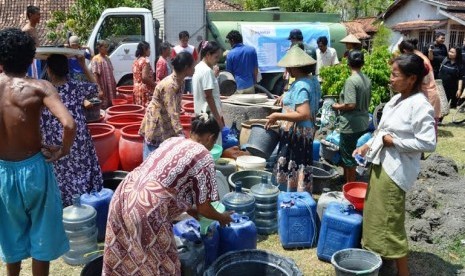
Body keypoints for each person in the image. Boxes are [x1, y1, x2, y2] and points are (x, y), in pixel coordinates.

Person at [103, 113, 233, 275]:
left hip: (123, 194)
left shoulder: (173, 140)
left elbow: (169, 184)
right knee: (163, 264)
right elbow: (204, 208)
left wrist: (191, 211)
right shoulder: (204, 156)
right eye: (213, 142)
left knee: (124, 253)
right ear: (210, 138)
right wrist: (223, 217)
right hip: (147, 206)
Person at [0, 28, 76, 276]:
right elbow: (69, 124)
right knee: (42, 234)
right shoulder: (40, 87)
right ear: (32, 59)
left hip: (2, 171)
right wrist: (62, 151)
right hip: (34, 169)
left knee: (11, 233)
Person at [353, 54, 436, 276]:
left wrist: (394, 142)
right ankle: (377, 262)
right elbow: (383, 130)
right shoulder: (397, 99)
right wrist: (367, 145)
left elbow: (428, 143)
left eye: (395, 75)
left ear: (411, 78)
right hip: (382, 164)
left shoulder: (420, 105)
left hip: (396, 170)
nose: (391, 79)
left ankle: (403, 272)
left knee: (390, 221)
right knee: (375, 217)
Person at [40, 54, 103, 207]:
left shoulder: (43, 93)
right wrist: (83, 65)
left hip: (55, 143)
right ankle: (84, 207)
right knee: (81, 173)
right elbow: (97, 90)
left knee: (61, 178)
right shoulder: (76, 87)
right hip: (77, 139)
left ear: (49, 70)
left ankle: (67, 212)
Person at [265, 46, 321, 192]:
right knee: (300, 164)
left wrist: (277, 115)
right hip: (307, 131)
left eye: (289, 67)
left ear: (295, 67)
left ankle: (289, 195)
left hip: (297, 133)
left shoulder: (300, 85)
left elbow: (303, 113)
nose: (287, 70)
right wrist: (286, 97)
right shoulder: (312, 81)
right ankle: (299, 193)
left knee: (292, 163)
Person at [140, 52, 195, 159]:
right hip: (157, 125)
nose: (194, 68)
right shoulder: (170, 85)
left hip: (166, 124)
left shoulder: (181, 81)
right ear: (186, 68)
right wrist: (182, 135)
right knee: (151, 162)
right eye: (193, 66)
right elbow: (172, 112)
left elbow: (176, 106)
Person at [332, 50, 371, 183]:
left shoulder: (351, 81)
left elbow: (350, 104)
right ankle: (350, 182)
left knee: (349, 159)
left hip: (350, 124)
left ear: (348, 63)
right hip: (363, 122)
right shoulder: (366, 79)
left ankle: (350, 187)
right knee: (356, 154)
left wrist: (337, 106)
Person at [398, 39, 442, 128]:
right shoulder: (420, 56)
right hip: (428, 94)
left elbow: (420, 80)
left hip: (427, 96)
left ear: (405, 51)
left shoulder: (418, 60)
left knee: (426, 129)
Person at [192, 41, 224, 131]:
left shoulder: (198, 67)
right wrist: (218, 119)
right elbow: (208, 96)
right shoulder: (207, 71)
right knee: (213, 143)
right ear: (208, 55)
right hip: (209, 116)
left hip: (201, 114)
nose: (218, 60)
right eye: (216, 57)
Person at [91, 39, 117, 109]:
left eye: (107, 47)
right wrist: (99, 89)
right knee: (103, 106)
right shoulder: (95, 59)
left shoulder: (107, 58)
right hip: (103, 87)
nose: (106, 49)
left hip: (111, 87)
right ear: (99, 48)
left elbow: (111, 72)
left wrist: (114, 83)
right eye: (105, 47)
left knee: (112, 105)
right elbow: (95, 75)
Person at [133, 41, 156, 107]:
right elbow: (144, 78)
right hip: (144, 91)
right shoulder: (145, 61)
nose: (150, 51)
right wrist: (155, 85)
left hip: (137, 90)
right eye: (149, 49)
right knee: (146, 113)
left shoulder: (136, 61)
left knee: (139, 111)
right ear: (145, 50)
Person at [22, 5, 42, 79]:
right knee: (34, 82)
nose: (40, 17)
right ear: (31, 15)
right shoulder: (27, 30)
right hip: (32, 61)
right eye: (38, 14)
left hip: (37, 59)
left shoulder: (33, 29)